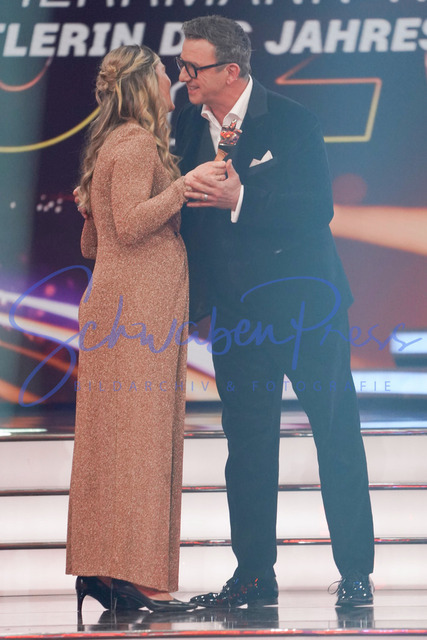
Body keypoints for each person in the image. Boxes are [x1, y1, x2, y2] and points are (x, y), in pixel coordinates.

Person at [174, 15, 375, 608]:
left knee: (336, 438)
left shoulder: (292, 120)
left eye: (194, 67)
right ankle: (254, 574)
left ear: (231, 71)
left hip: (307, 310)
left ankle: (356, 572)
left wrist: (241, 196)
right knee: (248, 448)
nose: (183, 76)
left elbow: (316, 208)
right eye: (182, 66)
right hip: (237, 318)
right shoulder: (182, 124)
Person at [66, 44, 224, 614]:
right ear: (141, 83)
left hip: (120, 308)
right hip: (136, 315)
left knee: (114, 445)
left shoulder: (113, 142)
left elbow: (94, 243)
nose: (171, 78)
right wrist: (184, 186)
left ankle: (105, 572)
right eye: (162, 71)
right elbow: (132, 227)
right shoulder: (135, 143)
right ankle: (133, 577)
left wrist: (92, 210)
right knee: (140, 445)